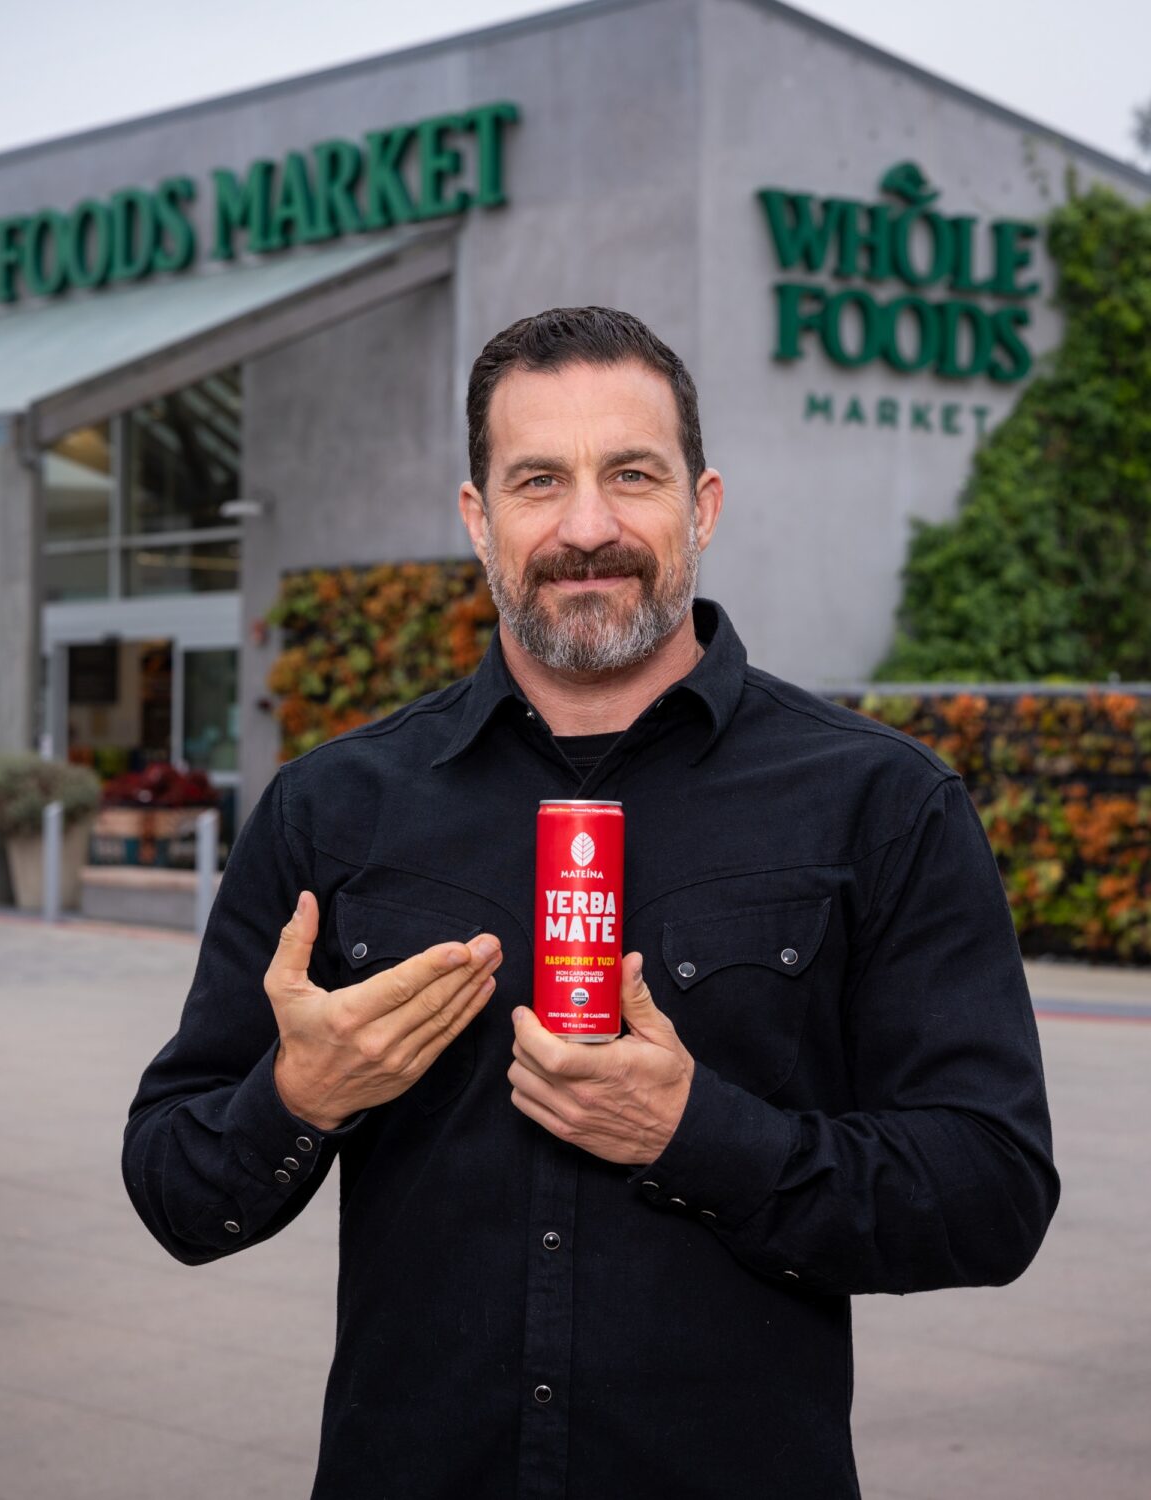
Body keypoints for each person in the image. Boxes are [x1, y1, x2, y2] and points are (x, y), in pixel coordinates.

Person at [122, 306, 1059, 1500]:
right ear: (478, 519)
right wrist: (297, 1097)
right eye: (537, 481)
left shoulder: (882, 802)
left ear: (703, 505)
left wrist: (699, 1135)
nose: (586, 528)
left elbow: (993, 1192)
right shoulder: (332, 809)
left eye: (632, 474)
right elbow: (174, 1188)